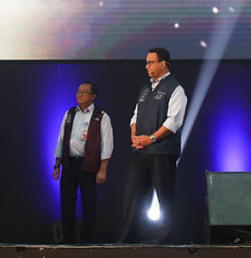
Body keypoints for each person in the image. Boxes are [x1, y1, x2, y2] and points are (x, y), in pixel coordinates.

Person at [118, 47, 187, 244]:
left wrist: (151, 138)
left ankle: (165, 240)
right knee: (132, 195)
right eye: (146, 63)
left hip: (162, 151)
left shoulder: (175, 88)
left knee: (164, 196)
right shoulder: (145, 88)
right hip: (141, 151)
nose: (146, 66)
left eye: (150, 62)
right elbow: (135, 116)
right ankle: (127, 239)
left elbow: (174, 122)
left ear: (162, 64)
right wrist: (134, 135)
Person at [53, 82, 113, 244]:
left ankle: (88, 242)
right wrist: (57, 165)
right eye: (78, 91)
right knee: (67, 203)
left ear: (93, 96)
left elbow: (107, 144)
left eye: (84, 92)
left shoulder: (101, 116)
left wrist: (103, 169)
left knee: (89, 204)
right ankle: (68, 241)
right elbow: (61, 140)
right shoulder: (70, 113)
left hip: (88, 165)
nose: (79, 95)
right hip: (69, 164)